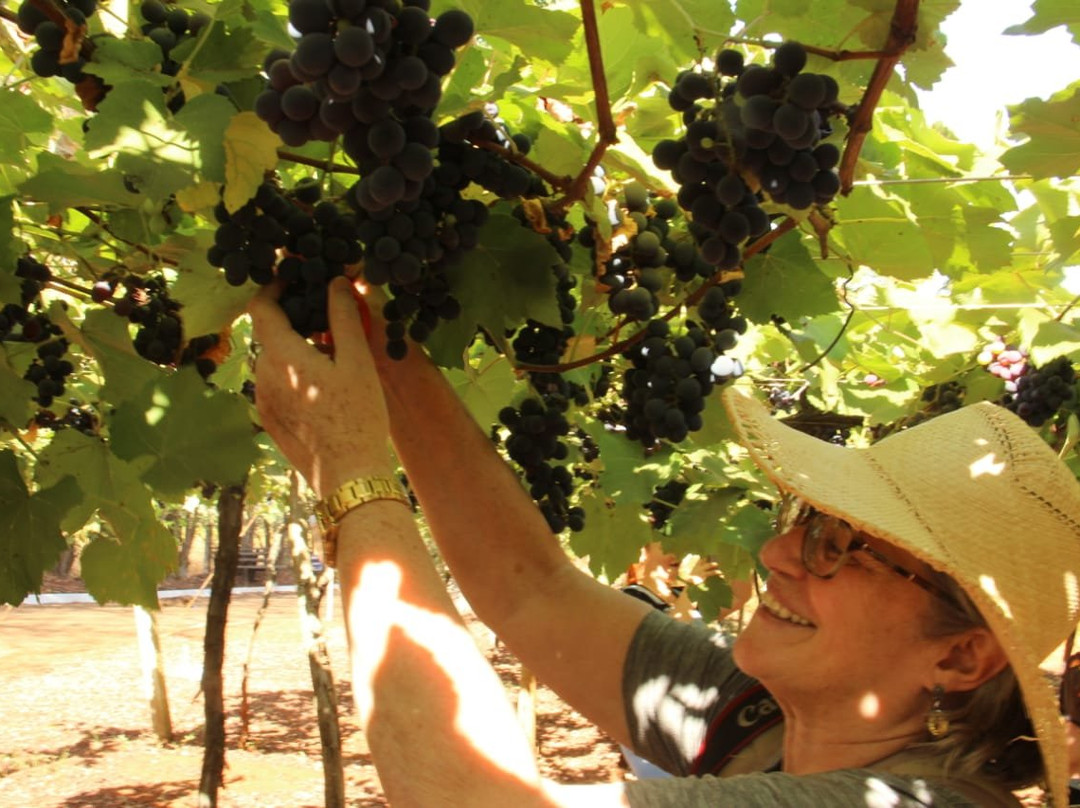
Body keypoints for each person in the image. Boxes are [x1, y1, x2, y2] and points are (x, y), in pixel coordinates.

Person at [249, 276, 1080, 807]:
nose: (778, 555)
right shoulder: (754, 716)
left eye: (839, 548)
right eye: (805, 523)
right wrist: (384, 350)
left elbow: (470, 798)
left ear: (960, 658)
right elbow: (530, 586)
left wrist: (350, 469)